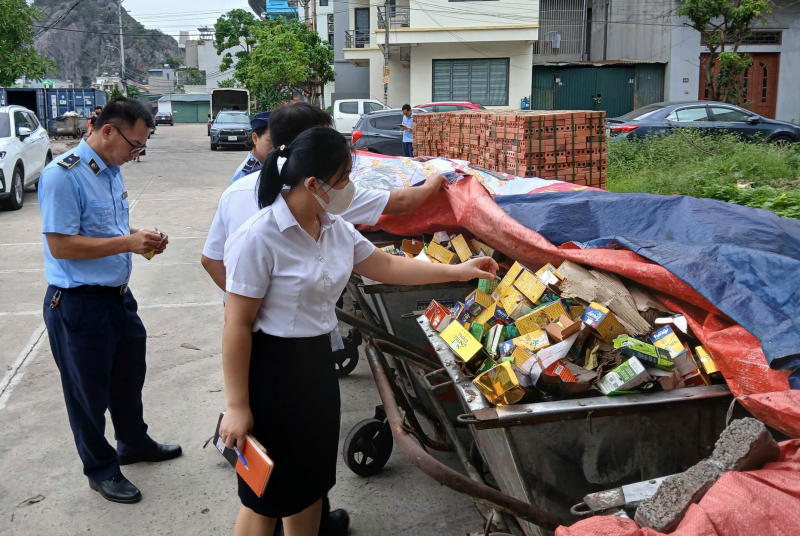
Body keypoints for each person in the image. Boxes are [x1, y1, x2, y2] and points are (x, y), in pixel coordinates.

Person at [219, 127, 498, 536]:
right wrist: (238, 405)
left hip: (315, 366)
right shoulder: (258, 238)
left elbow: (386, 266)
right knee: (267, 494)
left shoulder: (333, 226)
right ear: (313, 184)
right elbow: (237, 325)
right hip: (271, 375)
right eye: (344, 179)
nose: (350, 187)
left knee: (311, 484)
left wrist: (458, 270)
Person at [38, 97, 182, 505]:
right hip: (78, 303)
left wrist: (142, 237)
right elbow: (62, 245)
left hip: (118, 298)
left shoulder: (111, 169)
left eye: (141, 147)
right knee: (87, 394)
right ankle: (100, 469)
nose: (136, 154)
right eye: (134, 145)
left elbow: (107, 226)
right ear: (107, 131)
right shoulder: (62, 176)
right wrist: (129, 242)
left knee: (128, 376)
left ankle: (133, 443)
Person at [201, 102, 447, 292]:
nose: (346, 185)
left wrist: (243, 302)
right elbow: (401, 203)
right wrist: (254, 306)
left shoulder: (237, 190)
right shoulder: (322, 195)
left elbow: (211, 260)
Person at [231, 111, 273, 184]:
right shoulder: (246, 174)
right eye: (270, 140)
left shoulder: (272, 165)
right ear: (255, 138)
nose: (276, 146)